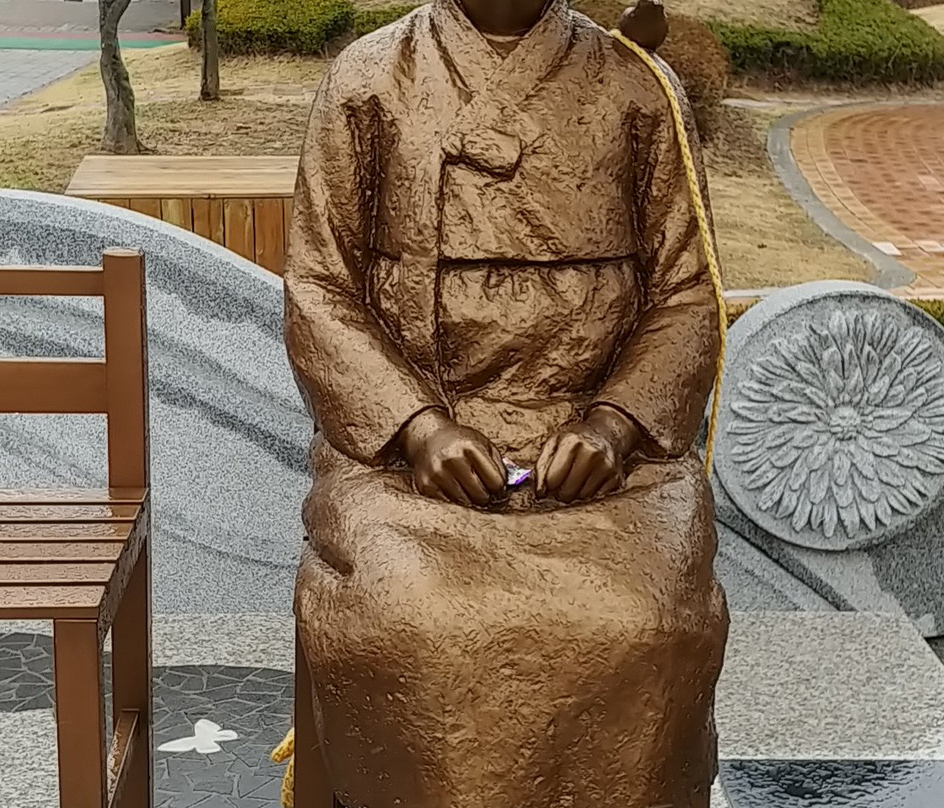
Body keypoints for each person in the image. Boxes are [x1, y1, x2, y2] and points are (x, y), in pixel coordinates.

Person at [283, 0, 729, 805]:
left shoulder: (640, 88)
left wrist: (615, 422)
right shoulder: (368, 78)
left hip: (601, 463)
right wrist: (417, 429)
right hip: (406, 465)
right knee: (414, 617)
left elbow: (687, 293)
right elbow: (319, 285)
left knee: (641, 617)